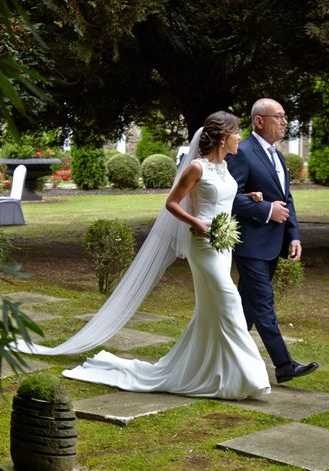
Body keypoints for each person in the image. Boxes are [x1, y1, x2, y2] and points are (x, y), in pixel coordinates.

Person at [62, 111, 271, 400]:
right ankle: (251, 375)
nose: (240, 138)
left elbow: (222, 199)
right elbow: (172, 203)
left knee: (210, 312)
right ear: (223, 137)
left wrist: (249, 197)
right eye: (237, 133)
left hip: (224, 246)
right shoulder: (196, 167)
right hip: (203, 246)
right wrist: (196, 222)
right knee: (230, 301)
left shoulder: (225, 167)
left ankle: (210, 371)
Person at [225, 98, 319, 383]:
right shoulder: (242, 151)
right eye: (278, 116)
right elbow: (230, 196)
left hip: (273, 244)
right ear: (259, 121)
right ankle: (283, 364)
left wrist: (294, 235)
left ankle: (227, 357)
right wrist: (266, 210)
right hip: (250, 244)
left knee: (248, 308)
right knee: (264, 302)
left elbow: (286, 197)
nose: (284, 122)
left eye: (284, 116)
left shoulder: (277, 156)